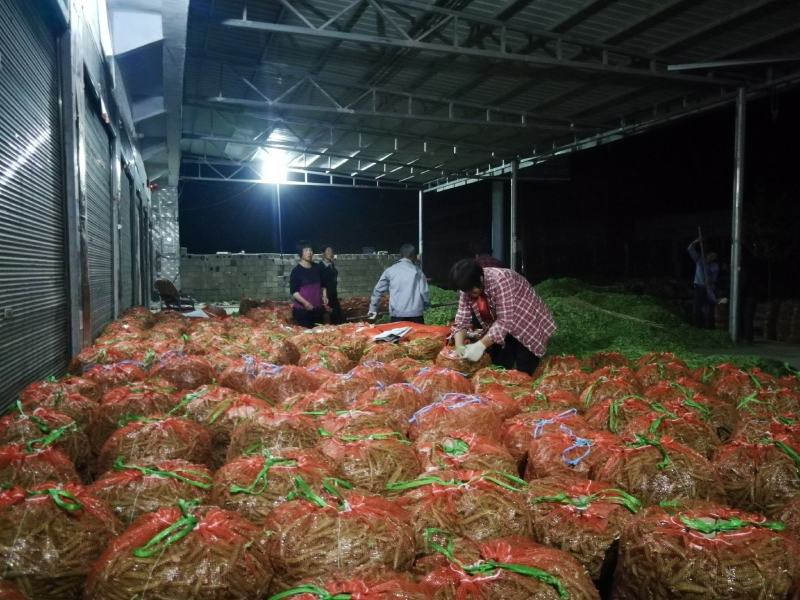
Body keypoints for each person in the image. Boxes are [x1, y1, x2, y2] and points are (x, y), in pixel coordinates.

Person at [449, 258, 556, 375]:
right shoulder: (467, 287)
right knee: (500, 364)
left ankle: (527, 381)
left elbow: (504, 321)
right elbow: (462, 319)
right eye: (466, 290)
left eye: (472, 289)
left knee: (525, 365)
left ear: (480, 277)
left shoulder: (501, 280)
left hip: (526, 319)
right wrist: (459, 345)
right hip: (502, 321)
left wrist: (480, 345)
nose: (470, 293)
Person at [367, 243, 429, 323]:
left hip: (397, 314)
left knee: (398, 335)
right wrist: (426, 304)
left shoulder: (390, 271)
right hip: (416, 315)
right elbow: (424, 292)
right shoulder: (418, 272)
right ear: (413, 256)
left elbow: (378, 291)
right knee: (418, 336)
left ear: (401, 255)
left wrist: (373, 309)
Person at [290, 241, 327, 328]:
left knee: (320, 334)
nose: (309, 253)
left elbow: (323, 285)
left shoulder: (317, 268)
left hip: (318, 309)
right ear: (300, 253)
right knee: (307, 336)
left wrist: (325, 296)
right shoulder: (296, 271)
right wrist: (305, 303)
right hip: (303, 311)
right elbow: (294, 292)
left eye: (310, 250)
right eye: (306, 250)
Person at [687, 237, 719, 329]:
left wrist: (709, 278)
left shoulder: (715, 266)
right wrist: (696, 241)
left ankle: (709, 328)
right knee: (697, 309)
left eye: (714, 256)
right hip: (698, 287)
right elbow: (689, 249)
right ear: (707, 255)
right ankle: (698, 327)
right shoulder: (699, 260)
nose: (712, 258)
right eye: (711, 256)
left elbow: (713, 279)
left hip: (708, 288)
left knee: (709, 310)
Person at [320, 245, 343, 324]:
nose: (331, 253)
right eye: (328, 251)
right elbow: (320, 284)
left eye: (331, 251)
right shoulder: (320, 267)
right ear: (323, 253)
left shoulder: (332, 266)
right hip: (325, 298)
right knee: (329, 320)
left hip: (333, 296)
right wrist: (323, 297)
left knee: (339, 318)